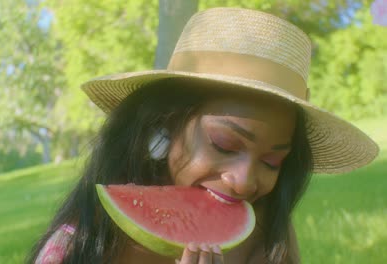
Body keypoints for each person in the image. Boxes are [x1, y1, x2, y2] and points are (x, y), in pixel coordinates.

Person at [27, 7, 379, 264]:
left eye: (273, 162)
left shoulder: (268, 234)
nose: (244, 181)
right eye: (223, 145)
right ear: (162, 126)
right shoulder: (77, 247)